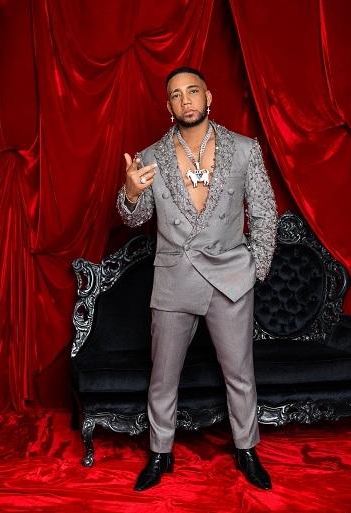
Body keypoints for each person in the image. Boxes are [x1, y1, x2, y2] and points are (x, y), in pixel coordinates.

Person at [116, 66, 278, 492]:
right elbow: (136, 218)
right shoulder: (151, 156)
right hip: (175, 280)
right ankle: (160, 452)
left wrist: (255, 269)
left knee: (240, 374)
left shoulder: (244, 149)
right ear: (168, 106)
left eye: (192, 91)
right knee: (163, 377)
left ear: (208, 97)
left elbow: (264, 211)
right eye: (175, 95)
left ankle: (246, 449)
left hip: (231, 279)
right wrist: (131, 192)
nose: (185, 100)